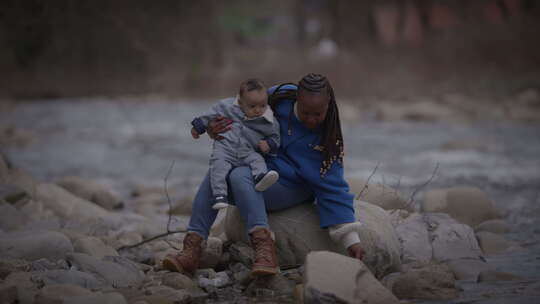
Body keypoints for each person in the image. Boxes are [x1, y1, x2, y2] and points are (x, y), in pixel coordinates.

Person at [163, 73, 365, 277]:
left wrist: (351, 239)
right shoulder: (278, 99)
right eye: (306, 113)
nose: (312, 120)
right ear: (297, 100)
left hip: (293, 187)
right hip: (261, 166)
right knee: (218, 169)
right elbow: (237, 111)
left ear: (328, 105)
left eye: (318, 114)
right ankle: (192, 248)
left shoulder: (329, 137)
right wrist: (215, 128)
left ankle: (265, 250)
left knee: (239, 174)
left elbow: (333, 187)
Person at [190, 78, 280, 210]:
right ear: (240, 102)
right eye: (252, 106)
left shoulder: (268, 119)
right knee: (218, 167)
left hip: (247, 151)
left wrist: (269, 144)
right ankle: (219, 195)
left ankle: (260, 177)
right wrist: (197, 127)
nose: (258, 110)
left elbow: (276, 136)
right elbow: (210, 115)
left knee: (258, 159)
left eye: (262, 105)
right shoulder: (227, 107)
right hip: (225, 149)